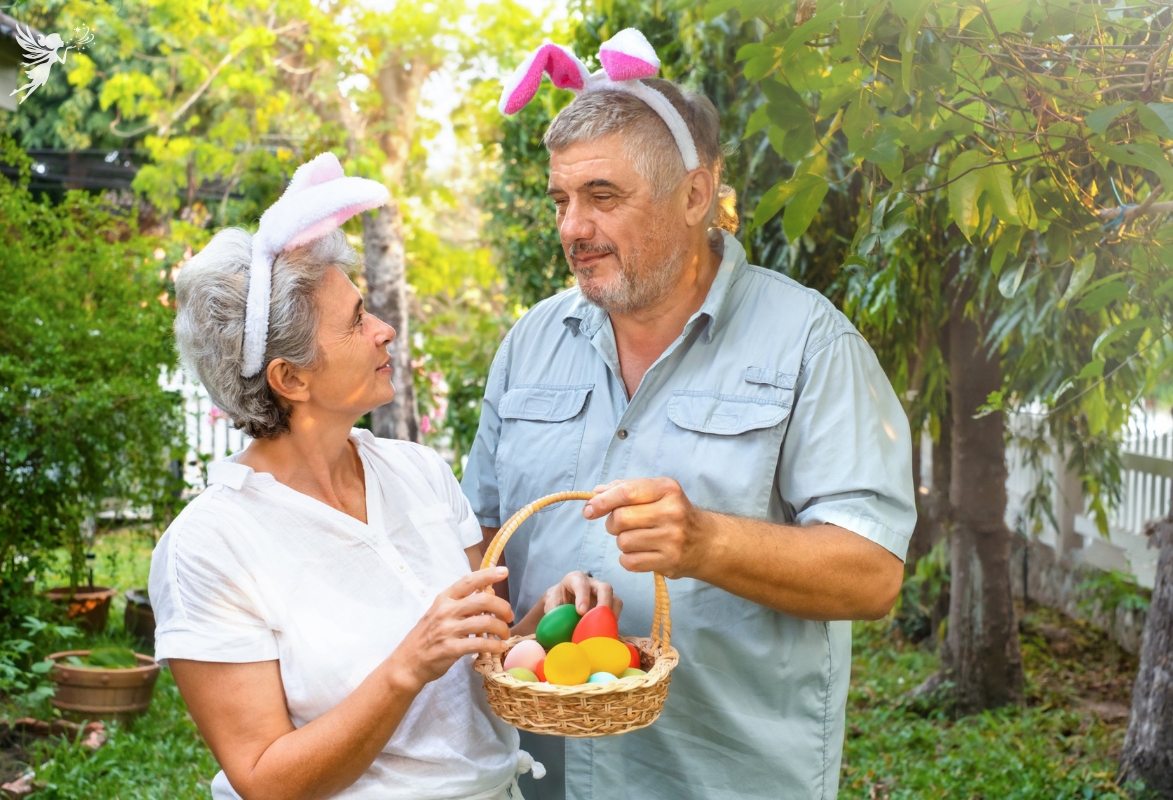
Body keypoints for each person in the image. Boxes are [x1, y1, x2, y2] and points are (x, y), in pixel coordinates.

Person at [463, 30, 916, 800]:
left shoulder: (810, 342)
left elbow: (871, 576)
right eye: (562, 200)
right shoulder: (530, 342)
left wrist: (705, 541)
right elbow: (479, 540)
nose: (573, 228)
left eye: (602, 197)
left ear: (696, 194)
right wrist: (520, 620)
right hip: (539, 777)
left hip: (721, 780)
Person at [149, 153, 621, 800]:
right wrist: (406, 666)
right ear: (291, 379)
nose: (385, 330)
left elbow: (482, 660)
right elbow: (264, 778)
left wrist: (544, 623)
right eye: (356, 320)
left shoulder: (418, 474)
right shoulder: (210, 545)